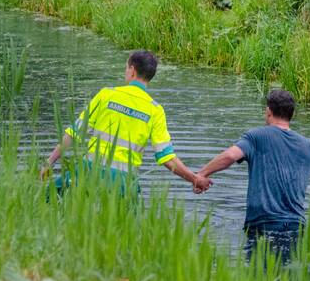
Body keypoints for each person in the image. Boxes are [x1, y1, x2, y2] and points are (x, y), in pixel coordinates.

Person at [194, 89, 310, 263]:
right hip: (296, 226)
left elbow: (230, 156)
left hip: (262, 226)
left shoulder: (256, 136)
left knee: (260, 278)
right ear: (291, 114)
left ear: (269, 111)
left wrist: (201, 174)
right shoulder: (309, 146)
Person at [40, 50, 208, 195]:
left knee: (46, 199)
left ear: (132, 70)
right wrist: (194, 178)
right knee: (124, 230)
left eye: (126, 68)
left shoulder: (106, 95)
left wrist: (49, 162)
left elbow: (74, 133)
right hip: (123, 182)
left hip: (89, 171)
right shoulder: (155, 110)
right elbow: (166, 158)